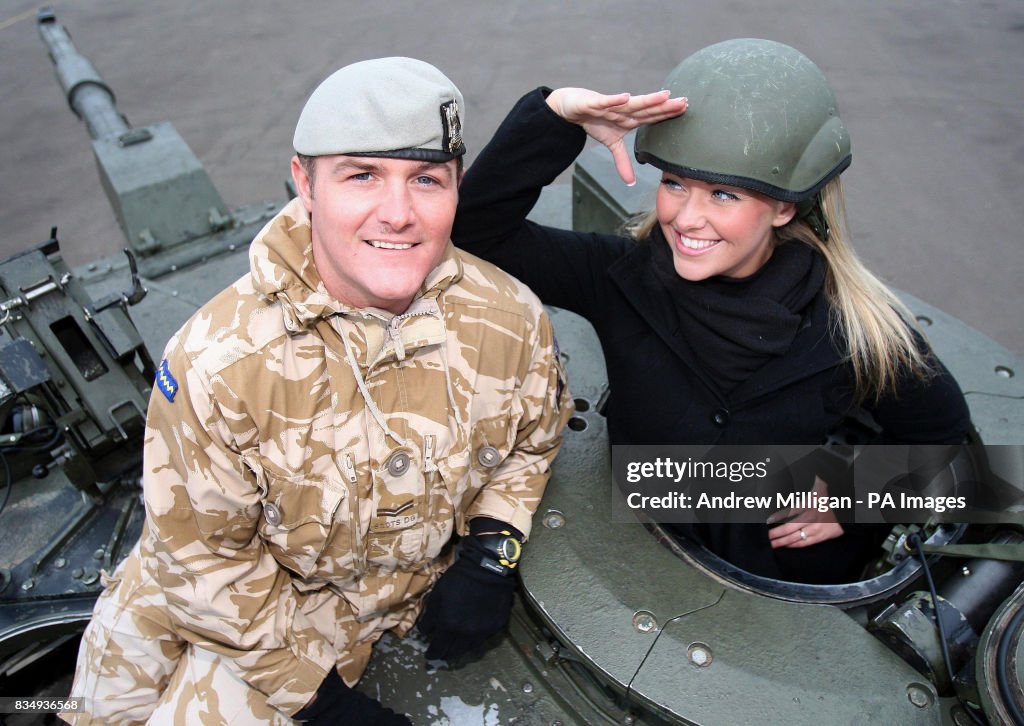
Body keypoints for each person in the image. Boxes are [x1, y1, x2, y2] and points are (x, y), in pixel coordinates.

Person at [64, 57, 572, 725]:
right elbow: (204, 557)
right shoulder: (220, 361)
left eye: (426, 180)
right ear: (305, 183)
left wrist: (490, 555)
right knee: (92, 712)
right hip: (218, 587)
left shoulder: (509, 320)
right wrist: (318, 701)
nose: (398, 214)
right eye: (362, 176)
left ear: (457, 186)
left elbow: (532, 441)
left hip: (341, 611)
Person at [452, 38, 970, 584]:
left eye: (724, 194)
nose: (687, 218)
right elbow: (476, 233)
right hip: (638, 550)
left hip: (778, 579)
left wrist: (852, 494)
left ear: (783, 207)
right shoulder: (622, 278)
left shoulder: (853, 328)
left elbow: (943, 430)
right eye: (674, 184)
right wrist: (556, 117)